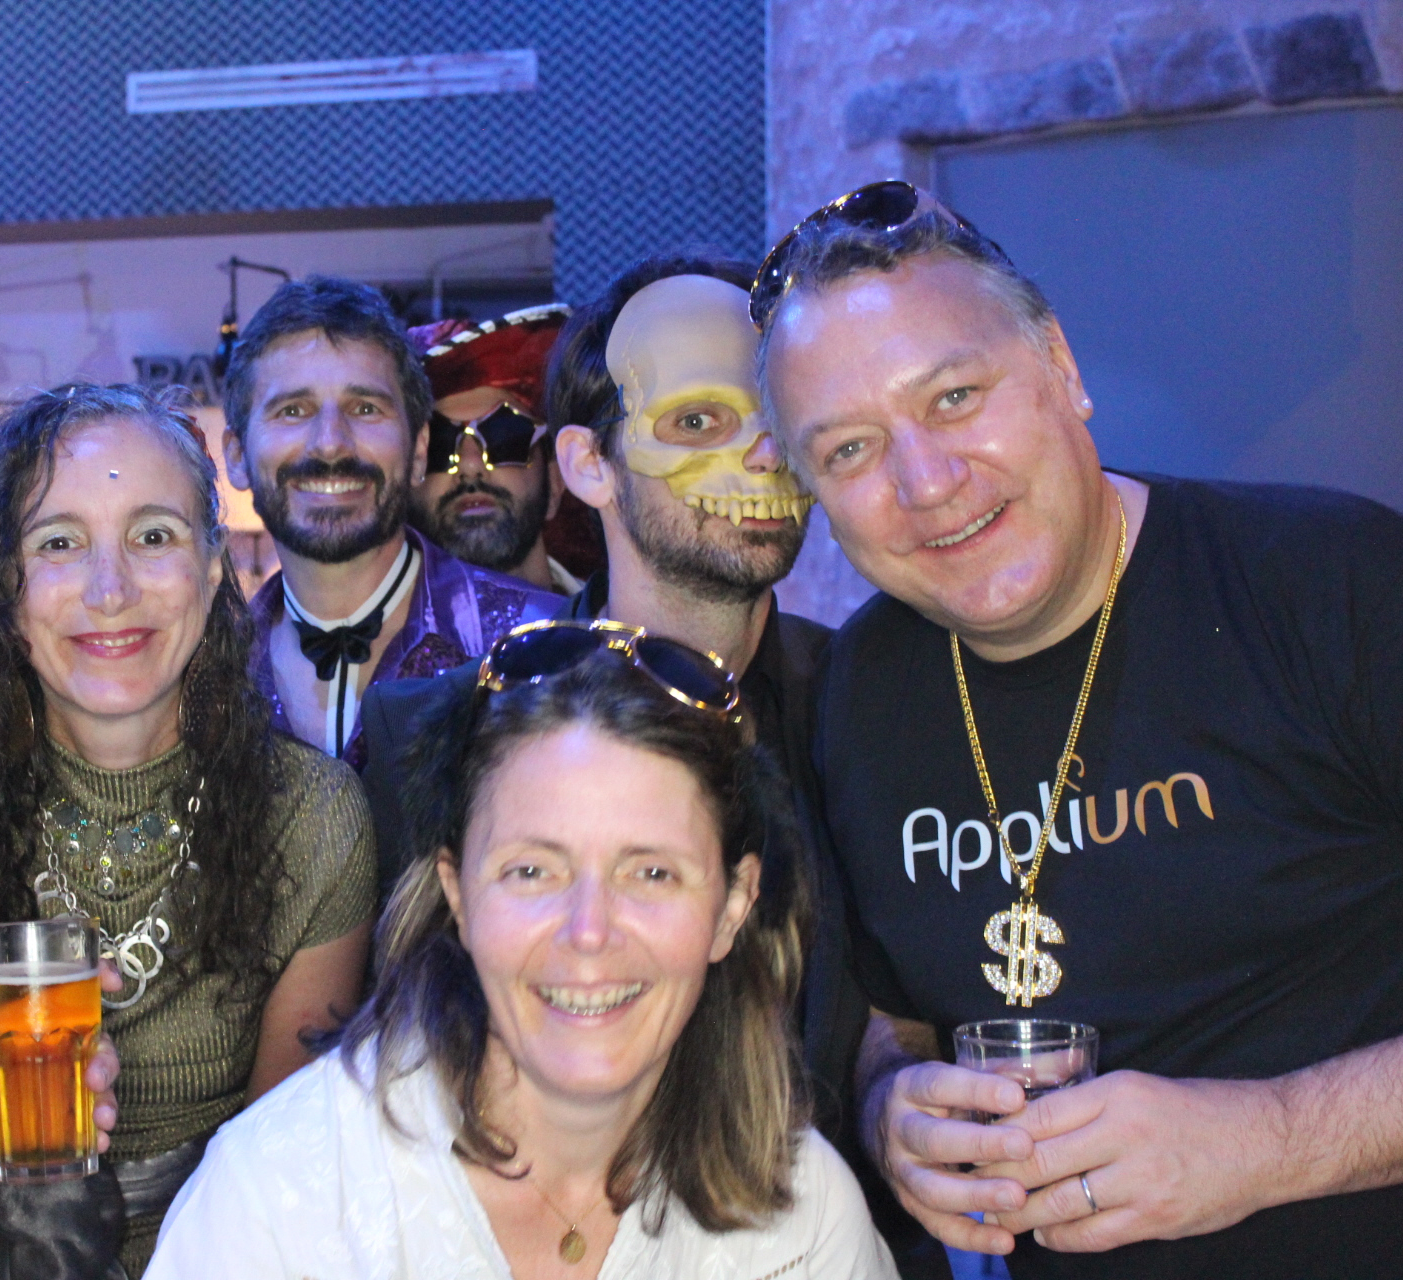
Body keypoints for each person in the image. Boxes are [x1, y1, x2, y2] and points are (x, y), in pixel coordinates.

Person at [757, 181, 1403, 1278]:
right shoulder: (856, 693)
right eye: (852, 451)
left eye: (956, 396)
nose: (927, 481)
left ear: (1061, 366)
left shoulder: (1334, 587)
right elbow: (897, 1011)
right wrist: (889, 1105)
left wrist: (1272, 1140)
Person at [145, 634, 896, 1277]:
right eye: (533, 871)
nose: (589, 932)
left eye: (651, 873)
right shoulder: (278, 1200)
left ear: (732, 908)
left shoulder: (806, 1221)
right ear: (458, 896)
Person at [358, 256, 879, 1177]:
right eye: (697, 422)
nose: (762, 454)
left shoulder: (878, 703)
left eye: (779, 417)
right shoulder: (438, 730)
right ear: (588, 464)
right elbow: (405, 1067)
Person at [0, 384, 377, 1278]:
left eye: (153, 537)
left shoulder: (313, 820)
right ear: (4, 586)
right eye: (58, 543)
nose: (110, 590)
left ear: (211, 569)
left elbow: (283, 1184)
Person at [220, 276, 561, 766]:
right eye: (293, 410)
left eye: (365, 408)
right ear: (236, 456)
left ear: (419, 450)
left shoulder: (546, 646)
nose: (330, 443)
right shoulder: (204, 677)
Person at [407, 305, 582, 593]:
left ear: (554, 484)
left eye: (504, 436)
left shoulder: (624, 618)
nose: (470, 465)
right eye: (438, 444)